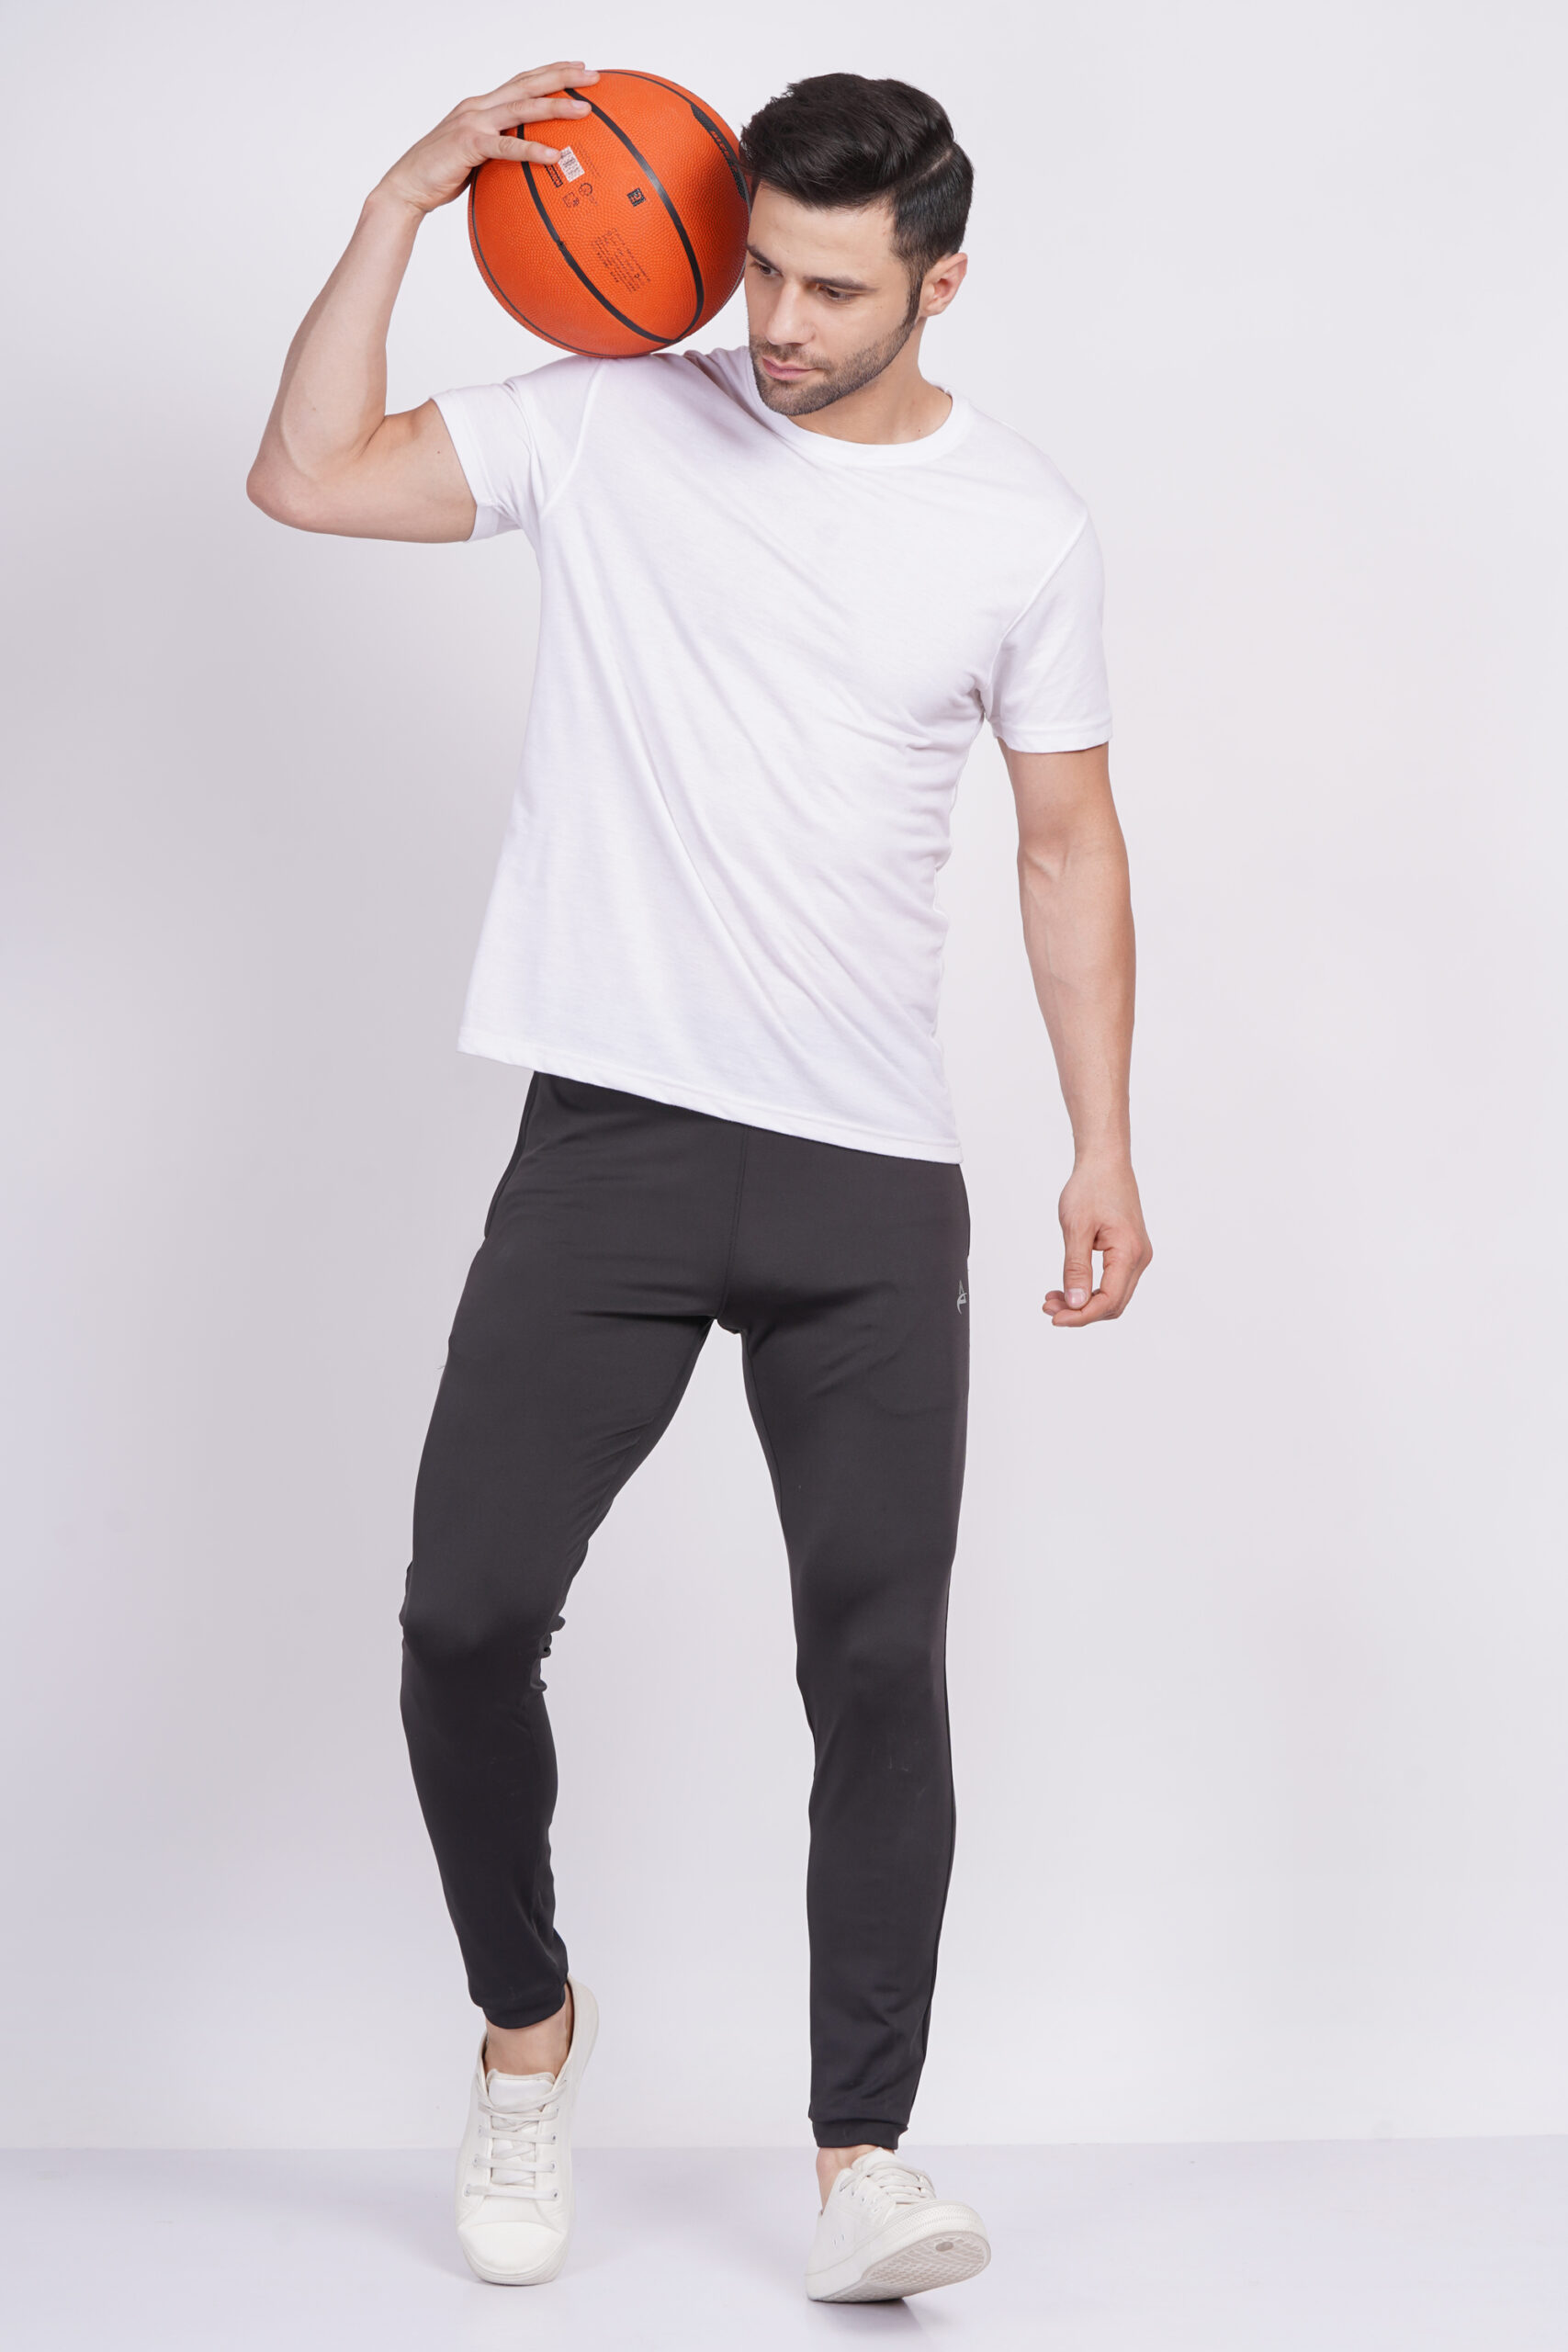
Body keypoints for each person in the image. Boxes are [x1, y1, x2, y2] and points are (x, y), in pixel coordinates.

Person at [247, 61, 1152, 2304]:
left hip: (869, 1175)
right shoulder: (607, 419)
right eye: (757, 269)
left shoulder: (1018, 526)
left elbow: (1063, 843)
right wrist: (400, 203)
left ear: (938, 283)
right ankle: (524, 2031)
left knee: (876, 1659)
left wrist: (1100, 1139)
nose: (773, 322)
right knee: (464, 1614)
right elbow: (305, 473)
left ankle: (862, 2152)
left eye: (830, 290)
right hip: (617, 1145)